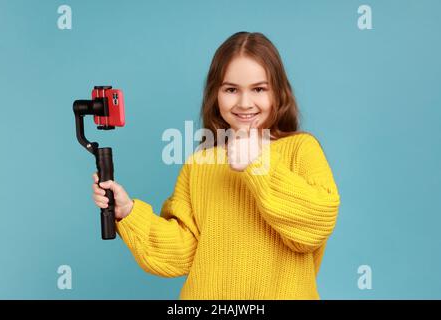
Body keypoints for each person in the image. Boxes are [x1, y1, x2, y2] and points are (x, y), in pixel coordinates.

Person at [92, 32, 341, 299]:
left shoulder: (301, 149)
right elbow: (182, 255)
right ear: (216, 94)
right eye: (231, 89)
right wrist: (128, 213)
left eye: (259, 89)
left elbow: (315, 227)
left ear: (278, 93)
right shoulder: (200, 164)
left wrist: (260, 164)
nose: (245, 103)